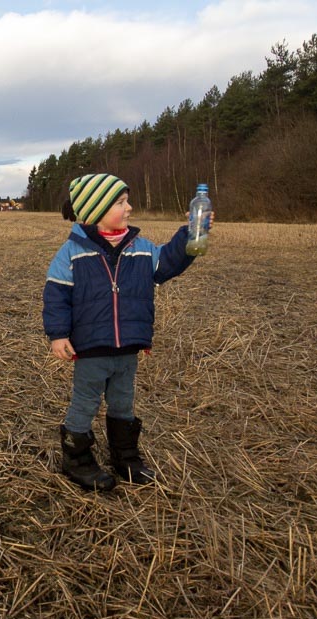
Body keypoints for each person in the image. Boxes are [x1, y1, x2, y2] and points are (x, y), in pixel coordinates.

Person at [43, 173, 209, 491]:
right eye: (121, 202)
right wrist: (58, 334)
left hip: (128, 346)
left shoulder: (141, 248)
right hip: (91, 348)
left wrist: (191, 233)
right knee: (85, 403)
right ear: (96, 211)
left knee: (123, 403)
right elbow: (56, 295)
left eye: (127, 201)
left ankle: (125, 457)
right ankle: (76, 459)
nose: (129, 208)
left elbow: (167, 263)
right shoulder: (71, 252)